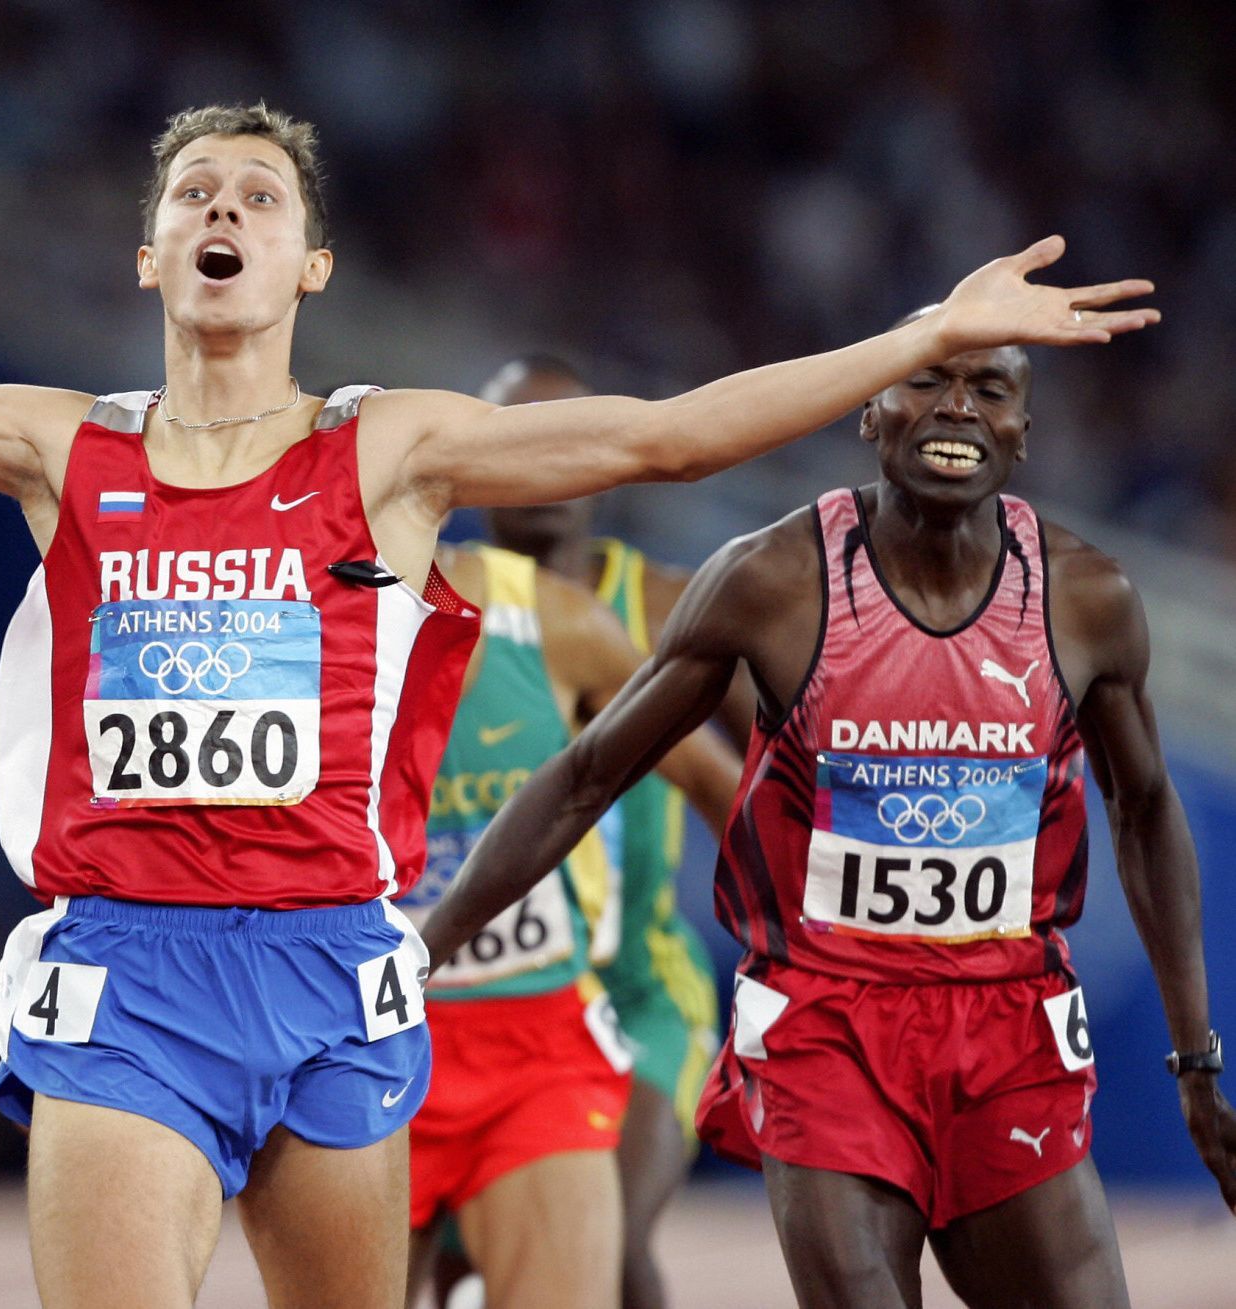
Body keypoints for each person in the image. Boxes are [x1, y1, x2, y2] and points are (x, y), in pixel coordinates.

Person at [0, 88, 1158, 1308]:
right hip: (128, 974)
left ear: (308, 265)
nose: (223, 209)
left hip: (331, 968)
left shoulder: (390, 456)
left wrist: (919, 334)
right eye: (192, 195)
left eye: (258, 196)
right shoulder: (66, 450)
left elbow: (667, 433)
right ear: (152, 257)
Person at [419, 320, 1236, 1308]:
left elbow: (1143, 807)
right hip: (825, 1023)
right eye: (924, 381)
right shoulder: (772, 582)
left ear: (1022, 431)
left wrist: (1196, 1059)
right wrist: (425, 948)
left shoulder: (1086, 598)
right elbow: (588, 773)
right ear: (869, 409)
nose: (955, 409)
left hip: (1007, 1026)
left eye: (988, 391)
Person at [400, 538, 740, 1309]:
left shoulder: (569, 619)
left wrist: (799, 946)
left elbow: (718, 777)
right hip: (376, 1039)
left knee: (615, 1250)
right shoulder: (294, 622)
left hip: (559, 1023)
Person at [479, 355, 741, 1309]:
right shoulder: (435, 604)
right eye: (521, 439)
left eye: (569, 436)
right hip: (479, 1002)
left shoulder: (673, 605)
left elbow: (763, 778)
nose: (549, 461)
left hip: (640, 991)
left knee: (611, 1244)